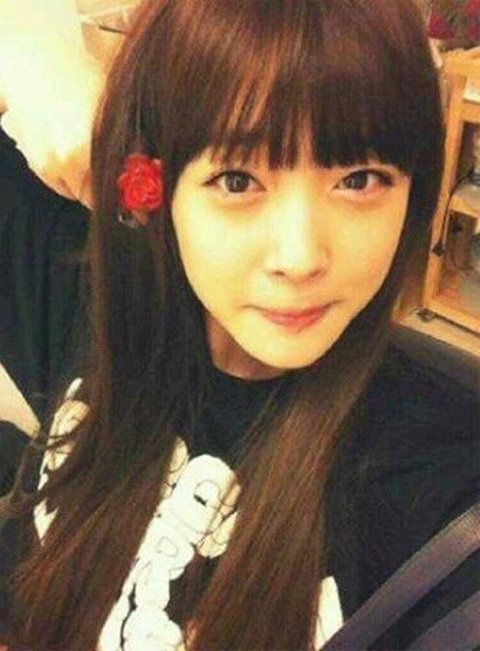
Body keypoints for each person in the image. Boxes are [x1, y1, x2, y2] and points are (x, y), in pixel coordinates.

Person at [0, 0, 478, 649]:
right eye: (236, 179)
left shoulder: (443, 493)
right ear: (154, 188)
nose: (300, 257)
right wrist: (28, 54)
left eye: (360, 179)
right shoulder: (85, 298)